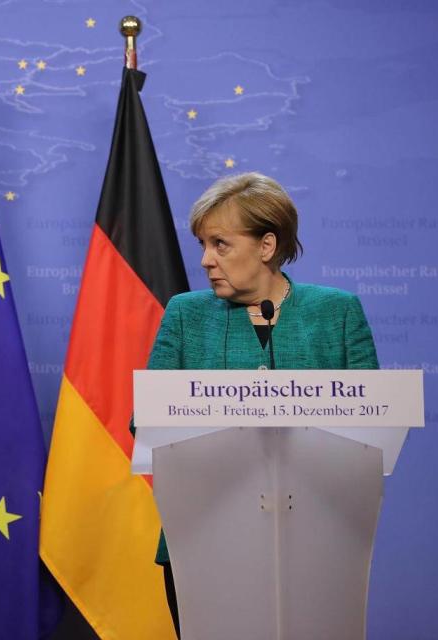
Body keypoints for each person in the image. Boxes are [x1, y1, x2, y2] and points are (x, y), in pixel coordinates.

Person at [146, 172, 378, 635]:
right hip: (203, 537)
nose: (206, 260)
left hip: (318, 539)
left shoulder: (337, 312)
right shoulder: (185, 314)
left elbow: (372, 427)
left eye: (220, 244)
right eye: (202, 245)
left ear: (267, 246)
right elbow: (146, 422)